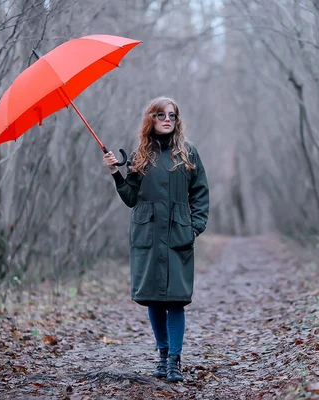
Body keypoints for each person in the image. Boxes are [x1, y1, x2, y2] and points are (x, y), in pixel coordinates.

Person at [103, 97, 209, 383]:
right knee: (153, 300)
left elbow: (200, 194)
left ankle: (175, 360)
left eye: (172, 115)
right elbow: (130, 198)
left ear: (177, 120)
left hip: (178, 236)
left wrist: (194, 228)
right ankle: (162, 356)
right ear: (150, 118)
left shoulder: (188, 153)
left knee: (175, 300)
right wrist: (116, 172)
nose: (167, 120)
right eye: (160, 115)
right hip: (147, 237)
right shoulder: (140, 155)